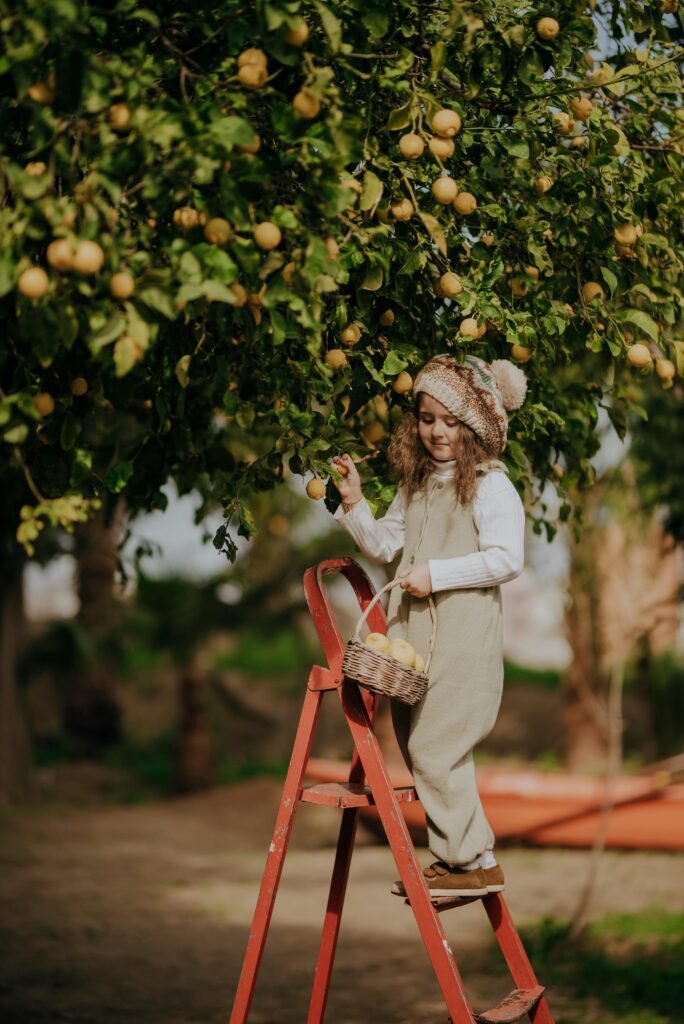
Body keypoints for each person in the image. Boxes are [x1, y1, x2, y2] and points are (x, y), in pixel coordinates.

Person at [331, 353, 527, 898]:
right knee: (419, 747)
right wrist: (352, 503)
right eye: (427, 418)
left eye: (450, 421)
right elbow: (384, 545)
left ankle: (470, 862)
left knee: (439, 748)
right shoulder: (416, 484)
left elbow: (507, 558)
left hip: (462, 643)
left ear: (475, 427)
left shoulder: (490, 487)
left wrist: (436, 574)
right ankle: (471, 856)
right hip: (409, 644)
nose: (437, 431)